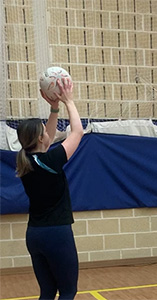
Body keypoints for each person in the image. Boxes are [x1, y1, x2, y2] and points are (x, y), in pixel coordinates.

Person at [16, 78, 84, 300]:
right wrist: (69, 102)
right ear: (39, 138)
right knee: (67, 291)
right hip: (56, 234)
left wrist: (54, 109)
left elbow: (49, 137)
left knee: (47, 291)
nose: (48, 133)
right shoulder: (51, 160)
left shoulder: (25, 160)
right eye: (44, 131)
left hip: (34, 235)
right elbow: (77, 133)